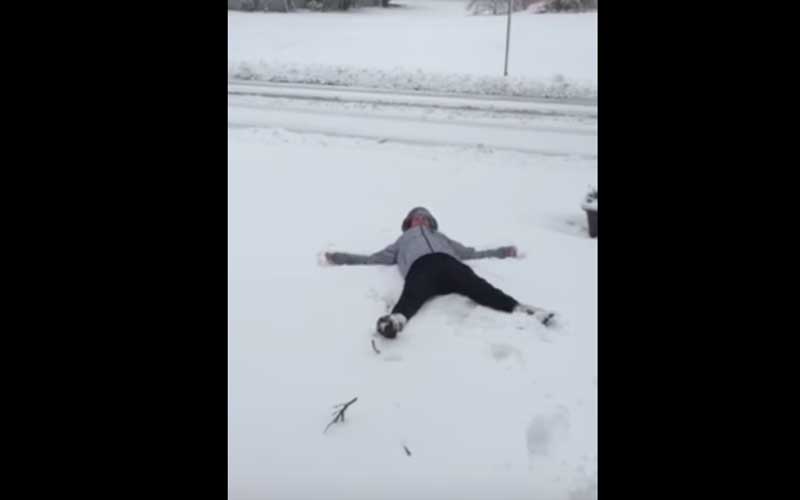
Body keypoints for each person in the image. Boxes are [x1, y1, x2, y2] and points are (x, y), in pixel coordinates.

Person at [324, 207, 554, 339]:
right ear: (408, 223)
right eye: (416, 217)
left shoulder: (442, 238)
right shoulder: (402, 240)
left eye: (424, 217)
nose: (420, 220)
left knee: (480, 288)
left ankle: (522, 309)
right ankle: (395, 321)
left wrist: (503, 251)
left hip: (449, 264)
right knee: (412, 294)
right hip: (421, 267)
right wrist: (340, 257)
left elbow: (470, 252)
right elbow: (373, 259)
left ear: (431, 222)